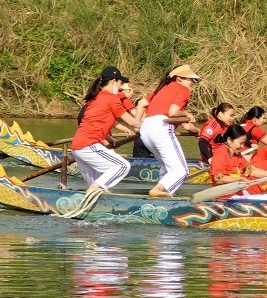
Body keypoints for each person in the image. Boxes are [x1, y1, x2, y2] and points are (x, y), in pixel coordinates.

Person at [68, 66, 138, 199]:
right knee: (123, 166)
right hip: (88, 145)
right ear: (113, 82)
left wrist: (107, 136)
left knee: (97, 188)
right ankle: (95, 189)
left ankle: (92, 195)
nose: (120, 86)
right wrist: (150, 125)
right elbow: (132, 121)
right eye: (120, 83)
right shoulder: (111, 98)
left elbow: (92, 121)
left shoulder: (95, 97)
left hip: (78, 146)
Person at [139, 64, 201, 197]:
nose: (192, 83)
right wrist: (187, 114)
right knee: (181, 169)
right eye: (190, 79)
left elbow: (143, 104)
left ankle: (162, 196)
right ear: (179, 79)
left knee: (168, 166)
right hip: (161, 127)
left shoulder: (163, 88)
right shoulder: (183, 89)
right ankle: (159, 190)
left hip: (146, 128)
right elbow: (172, 112)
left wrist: (196, 130)